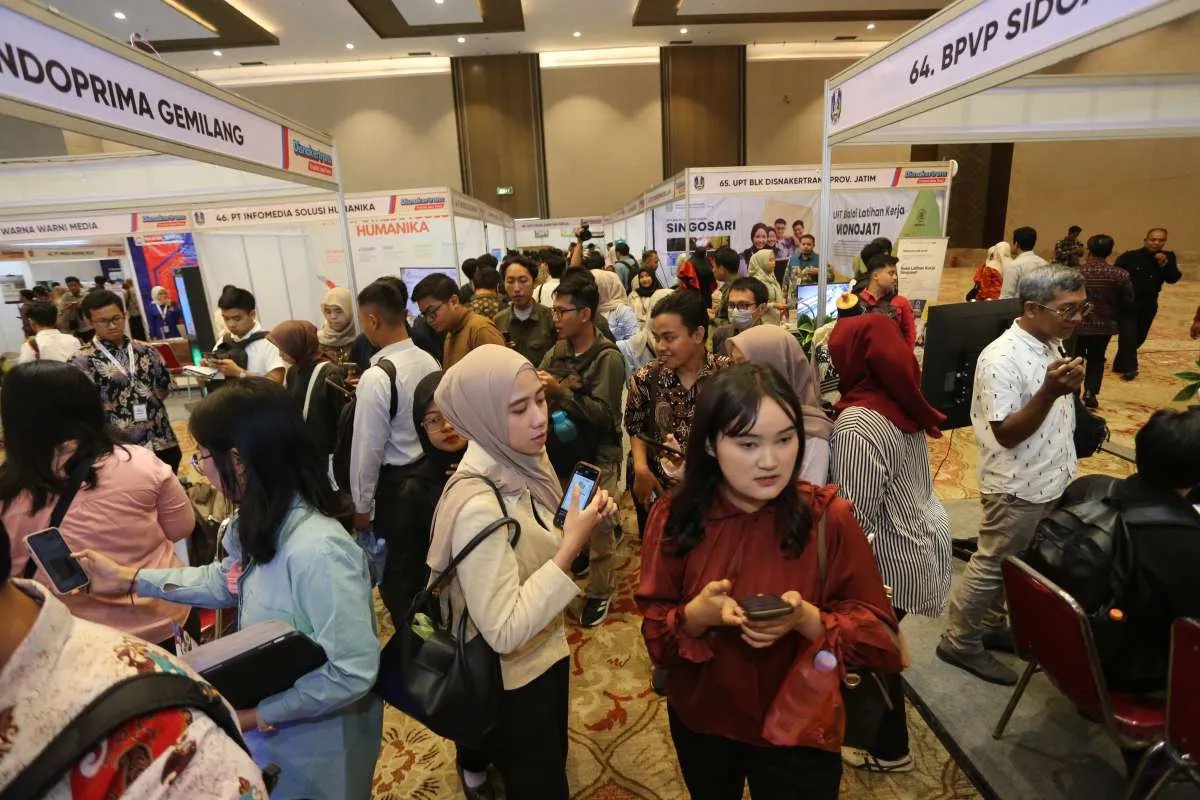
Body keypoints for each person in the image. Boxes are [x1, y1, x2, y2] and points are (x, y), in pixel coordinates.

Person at [75, 379, 384, 800]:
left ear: (238, 460)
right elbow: (226, 580)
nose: (200, 468)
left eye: (202, 456)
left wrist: (256, 715)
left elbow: (351, 671)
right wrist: (129, 577)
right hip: (279, 724)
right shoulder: (258, 520)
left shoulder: (318, 550)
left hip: (320, 737)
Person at [636, 363, 902, 800]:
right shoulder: (675, 518)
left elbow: (882, 639)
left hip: (800, 722)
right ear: (710, 444)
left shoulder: (827, 518)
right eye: (748, 443)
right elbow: (656, 638)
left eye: (784, 439)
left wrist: (807, 618)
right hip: (704, 718)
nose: (770, 461)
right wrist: (696, 617)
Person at [427, 345, 617, 800]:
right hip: (513, 680)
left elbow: (536, 536)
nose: (538, 419)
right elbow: (505, 630)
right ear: (482, 415)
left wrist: (579, 521)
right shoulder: (477, 505)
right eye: (518, 409)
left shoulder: (519, 456)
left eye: (540, 399)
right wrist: (571, 545)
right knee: (538, 778)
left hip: (543, 651)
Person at [0, 535, 268, 799]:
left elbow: (221, 575)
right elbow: (221, 575)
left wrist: (263, 714)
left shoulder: (171, 743)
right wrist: (129, 578)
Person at [939, 266, 1086, 685]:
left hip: (1047, 475)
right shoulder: (1000, 358)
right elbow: (1005, 432)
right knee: (993, 563)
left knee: (1018, 561)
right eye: (1068, 309)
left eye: (1082, 307)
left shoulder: (1050, 341)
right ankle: (959, 640)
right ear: (1032, 308)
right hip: (1017, 484)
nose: (1077, 318)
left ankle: (989, 625)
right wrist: (1050, 392)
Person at [827, 313, 952, 773]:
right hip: (921, 535)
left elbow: (854, 517)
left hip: (891, 557)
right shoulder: (895, 399)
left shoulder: (858, 424)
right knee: (881, 646)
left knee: (869, 651)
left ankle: (887, 748)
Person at [1, 361, 194, 651]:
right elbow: (181, 527)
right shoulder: (139, 463)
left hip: (70, 641)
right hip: (164, 620)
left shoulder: (7, 491)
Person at [538, 271, 627, 628]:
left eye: (562, 311)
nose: (556, 319)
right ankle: (579, 556)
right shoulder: (557, 351)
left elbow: (606, 416)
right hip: (563, 452)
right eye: (554, 311)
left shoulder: (608, 358)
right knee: (566, 518)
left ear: (586, 313)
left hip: (598, 457)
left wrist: (560, 393)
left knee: (601, 530)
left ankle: (600, 592)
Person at [351, 279, 440, 616]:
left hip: (396, 490)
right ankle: (434, 630)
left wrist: (362, 506)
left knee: (399, 583)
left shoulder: (377, 376)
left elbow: (367, 449)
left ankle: (419, 640)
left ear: (373, 320)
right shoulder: (429, 360)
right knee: (427, 568)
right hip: (430, 479)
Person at [626, 290, 731, 532]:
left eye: (669, 338)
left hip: (715, 492)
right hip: (661, 491)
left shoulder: (727, 374)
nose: (660, 347)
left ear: (698, 334)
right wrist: (641, 468)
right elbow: (635, 426)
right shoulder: (645, 378)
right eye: (656, 338)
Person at [373, 369, 468, 627]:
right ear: (421, 427)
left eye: (453, 413)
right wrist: (424, 635)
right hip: (447, 619)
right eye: (434, 420)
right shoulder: (414, 489)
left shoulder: (495, 466)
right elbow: (402, 582)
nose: (447, 426)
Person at [72, 289, 182, 472]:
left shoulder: (146, 350)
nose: (112, 326)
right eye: (103, 321)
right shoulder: (82, 361)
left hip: (161, 439)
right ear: (90, 322)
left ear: (124, 315)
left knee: (168, 482)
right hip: (120, 448)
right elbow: (83, 408)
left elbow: (164, 387)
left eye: (116, 318)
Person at [727, 325, 832, 486]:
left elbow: (808, 496)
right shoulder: (741, 417)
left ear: (774, 368)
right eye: (733, 365)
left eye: (742, 365)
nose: (735, 375)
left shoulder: (811, 433)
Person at [268, 320, 346, 462]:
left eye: (284, 349)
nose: (280, 355)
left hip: (329, 453)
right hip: (307, 451)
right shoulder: (293, 371)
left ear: (297, 345)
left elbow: (342, 417)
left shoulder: (330, 373)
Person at [1113, 227, 1181, 381]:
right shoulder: (1130, 257)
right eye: (1153, 239)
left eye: (1161, 240)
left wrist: (1164, 264)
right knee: (1128, 336)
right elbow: (1116, 277)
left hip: (1150, 302)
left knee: (1140, 336)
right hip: (1129, 302)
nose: (1156, 243)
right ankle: (1131, 368)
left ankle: (1120, 363)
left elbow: (1173, 278)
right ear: (1146, 240)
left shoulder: (1168, 257)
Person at [1074, 234, 1132, 409]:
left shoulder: (1075, 273)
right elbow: (1128, 300)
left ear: (1089, 250)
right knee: (1097, 358)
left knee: (1075, 359)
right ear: (1110, 252)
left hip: (1077, 324)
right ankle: (1091, 392)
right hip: (1105, 325)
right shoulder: (1121, 274)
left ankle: (1073, 392)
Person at [413, 273, 506, 370]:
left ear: (454, 301)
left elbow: (503, 372)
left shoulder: (480, 330)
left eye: (432, 311)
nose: (429, 320)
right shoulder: (450, 333)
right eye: (424, 314)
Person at [204, 286, 287, 387]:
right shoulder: (223, 341)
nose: (231, 324)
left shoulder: (269, 341)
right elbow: (216, 379)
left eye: (237, 319)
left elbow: (276, 382)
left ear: (252, 314)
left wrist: (239, 373)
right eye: (226, 318)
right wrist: (205, 375)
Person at [497, 256, 557, 367]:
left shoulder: (550, 317)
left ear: (534, 283)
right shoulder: (498, 320)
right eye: (510, 281)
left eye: (523, 281)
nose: (516, 288)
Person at [859, 254, 917, 349]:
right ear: (876, 275)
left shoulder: (901, 302)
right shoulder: (856, 301)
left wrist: (904, 356)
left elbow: (910, 337)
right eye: (891, 273)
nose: (895, 277)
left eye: (896, 274)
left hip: (894, 356)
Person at [712, 276, 768, 357]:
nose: (735, 311)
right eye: (731, 305)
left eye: (743, 305)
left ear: (762, 308)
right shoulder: (721, 334)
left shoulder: (769, 340)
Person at [18, 300, 81, 364]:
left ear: (31, 322)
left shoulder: (31, 345)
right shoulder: (74, 340)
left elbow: (24, 368)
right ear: (56, 320)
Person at [999, 226, 1049, 299]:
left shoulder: (1014, 266)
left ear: (1016, 244)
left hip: (1019, 305)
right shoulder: (1045, 264)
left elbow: (1006, 297)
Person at [591, 267, 638, 341]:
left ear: (606, 287)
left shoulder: (622, 311)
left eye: (595, 287)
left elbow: (635, 341)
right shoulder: (591, 310)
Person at [316, 286, 358, 363]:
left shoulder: (362, 337)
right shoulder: (318, 341)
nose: (333, 317)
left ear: (350, 310)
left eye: (339, 311)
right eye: (328, 312)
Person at [746, 249, 787, 326]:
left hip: (774, 322)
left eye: (774, 259)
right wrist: (774, 305)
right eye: (770, 260)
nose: (774, 263)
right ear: (762, 262)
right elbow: (754, 307)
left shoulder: (771, 278)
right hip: (762, 324)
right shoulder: (756, 281)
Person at [784, 233, 826, 304]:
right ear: (800, 245)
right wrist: (783, 296)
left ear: (813, 245)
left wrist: (820, 272)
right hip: (793, 298)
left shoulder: (820, 259)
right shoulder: (793, 259)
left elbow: (831, 277)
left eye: (809, 244)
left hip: (810, 298)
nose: (806, 246)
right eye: (803, 244)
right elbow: (786, 279)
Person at [56, 275, 91, 342]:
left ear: (79, 285)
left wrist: (82, 306)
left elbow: (93, 307)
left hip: (89, 325)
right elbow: (60, 311)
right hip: (74, 327)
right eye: (70, 286)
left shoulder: (86, 295)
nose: (72, 287)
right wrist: (68, 307)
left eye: (74, 285)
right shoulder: (66, 297)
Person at [710, 246, 740, 324]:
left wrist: (712, 318)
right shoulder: (739, 283)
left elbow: (732, 323)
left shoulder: (731, 289)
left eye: (714, 267)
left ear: (721, 269)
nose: (713, 270)